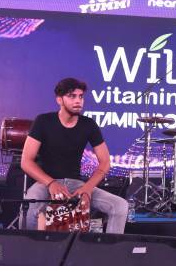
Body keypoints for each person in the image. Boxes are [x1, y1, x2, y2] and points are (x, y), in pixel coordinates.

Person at [21, 78, 128, 233]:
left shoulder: (89, 125)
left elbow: (105, 162)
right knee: (30, 203)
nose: (78, 101)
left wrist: (88, 188)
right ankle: (29, 250)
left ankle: (108, 254)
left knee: (120, 205)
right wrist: (51, 183)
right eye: (72, 96)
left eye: (81, 96)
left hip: (77, 184)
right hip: (45, 182)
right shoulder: (43, 121)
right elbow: (26, 161)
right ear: (59, 100)